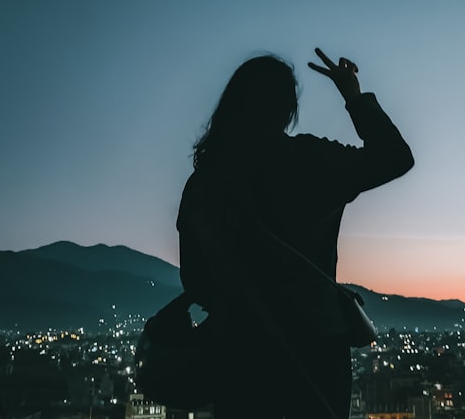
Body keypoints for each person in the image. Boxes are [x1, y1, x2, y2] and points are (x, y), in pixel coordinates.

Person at [176, 48, 414, 418]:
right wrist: (352, 94)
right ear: (287, 109)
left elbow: (195, 278)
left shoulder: (206, 181)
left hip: (240, 352)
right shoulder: (314, 161)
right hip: (316, 350)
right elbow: (395, 156)